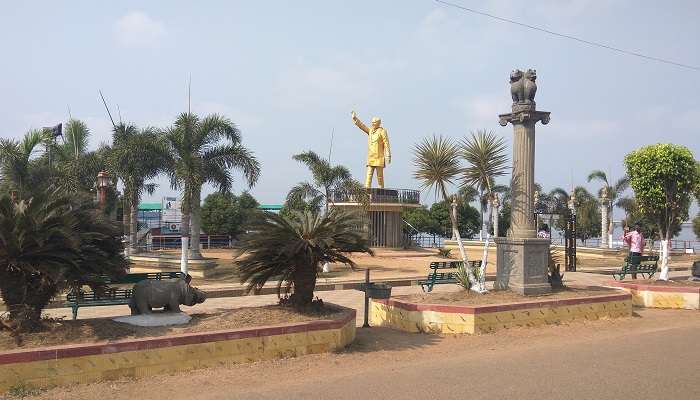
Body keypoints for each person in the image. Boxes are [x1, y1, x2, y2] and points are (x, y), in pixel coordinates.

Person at [351, 110, 391, 188]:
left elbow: (386, 143)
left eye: (374, 123)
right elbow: (362, 126)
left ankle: (381, 190)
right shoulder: (370, 131)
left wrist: (388, 155)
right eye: (372, 122)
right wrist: (355, 118)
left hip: (379, 157)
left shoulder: (382, 131)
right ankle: (366, 190)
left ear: (378, 123)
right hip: (371, 157)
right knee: (369, 175)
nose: (372, 124)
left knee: (380, 176)